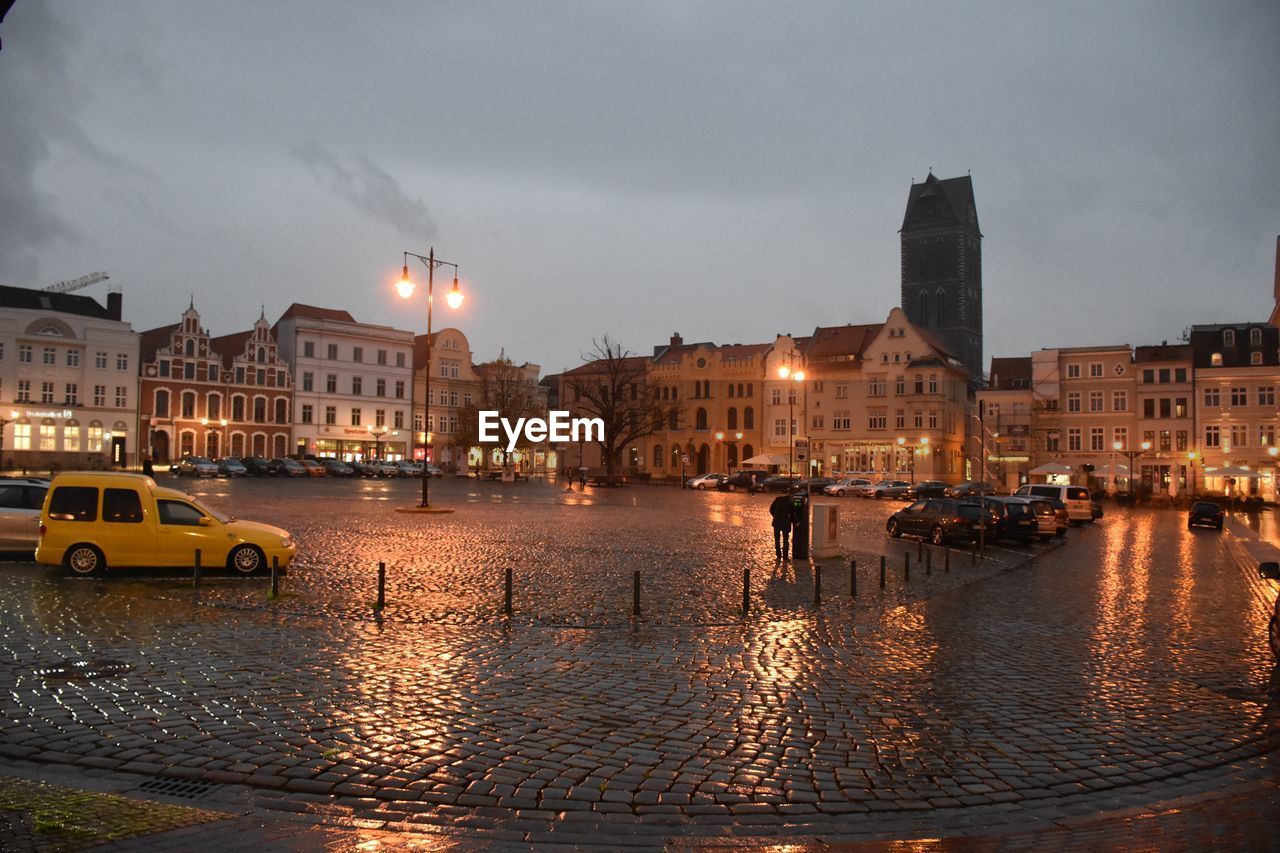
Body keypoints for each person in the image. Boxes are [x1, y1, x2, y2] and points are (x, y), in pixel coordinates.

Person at [769, 492, 793, 561]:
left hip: (776, 522)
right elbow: (792, 514)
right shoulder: (790, 502)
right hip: (785, 523)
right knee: (785, 540)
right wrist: (794, 521)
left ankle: (778, 557)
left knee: (777, 539)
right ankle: (785, 557)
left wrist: (775, 516)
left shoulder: (777, 499)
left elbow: (771, 509)